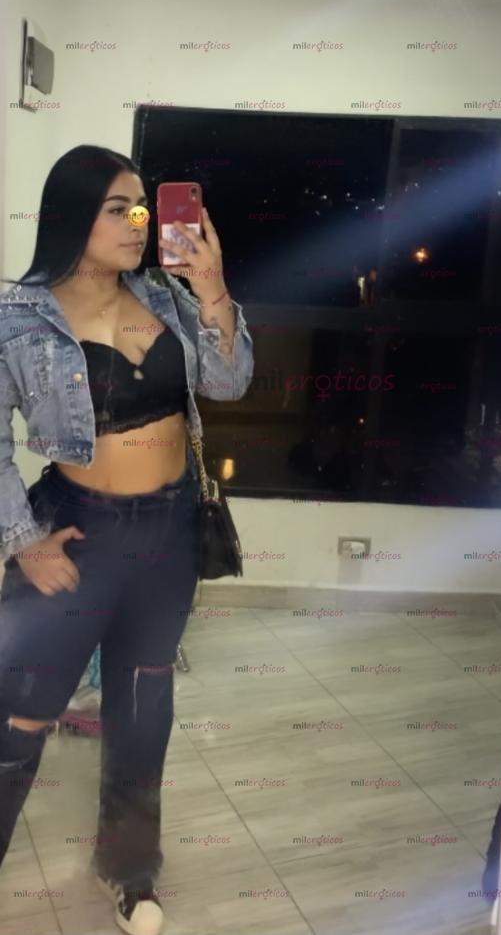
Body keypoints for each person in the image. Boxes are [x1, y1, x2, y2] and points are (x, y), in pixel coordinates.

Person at [0, 145, 254, 935]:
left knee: (144, 708)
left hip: (169, 535)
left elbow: (228, 381)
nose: (138, 223)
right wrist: (24, 540)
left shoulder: (165, 296)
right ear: (71, 215)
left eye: (143, 208)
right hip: (78, 532)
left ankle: (130, 867)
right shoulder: (20, 316)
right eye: (119, 208)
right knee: (23, 709)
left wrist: (212, 289)